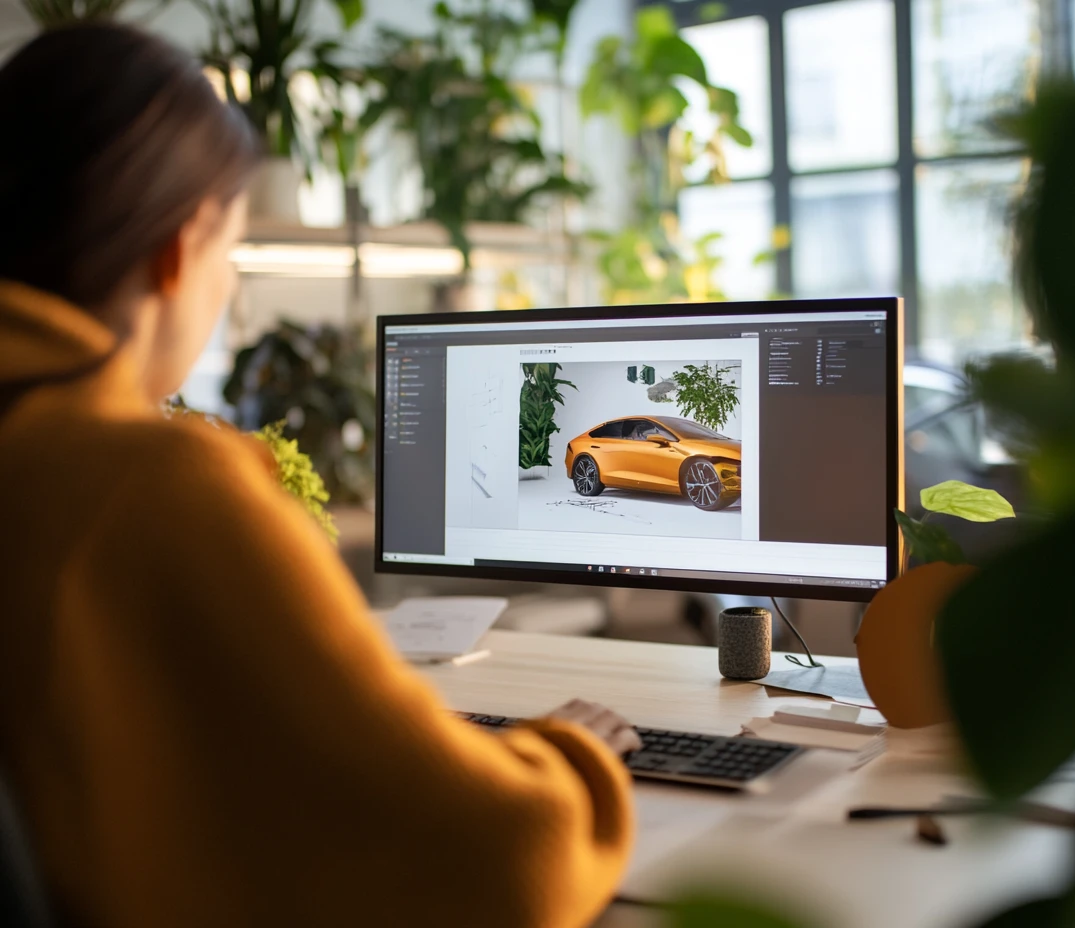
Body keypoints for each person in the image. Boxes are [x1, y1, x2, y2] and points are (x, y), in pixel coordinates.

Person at [0, 23, 640, 928]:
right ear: (180, 251)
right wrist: (570, 757)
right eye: (230, 252)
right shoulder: (148, 483)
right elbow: (493, 863)